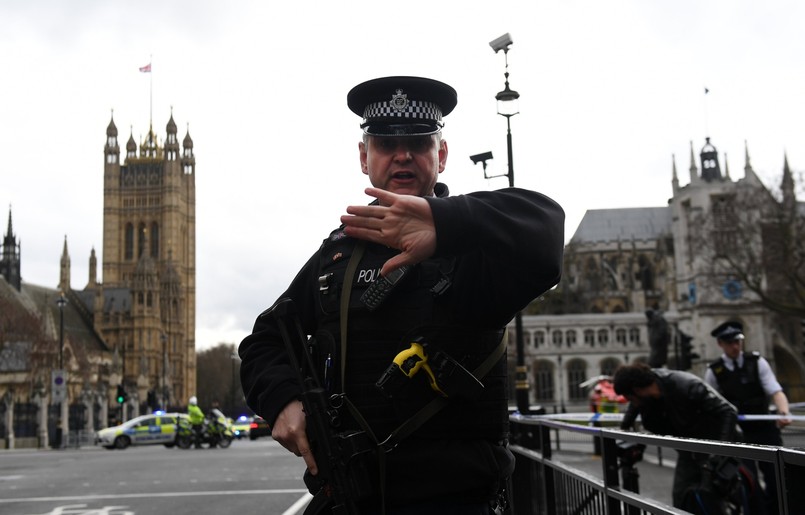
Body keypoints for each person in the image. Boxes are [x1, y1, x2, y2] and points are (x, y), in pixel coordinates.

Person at [239, 75, 565, 514]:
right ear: (364, 156)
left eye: (418, 143)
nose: (403, 155)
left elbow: (546, 229)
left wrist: (444, 223)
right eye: (386, 145)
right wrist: (282, 398)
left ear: (442, 155)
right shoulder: (338, 255)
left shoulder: (474, 249)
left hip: (456, 503)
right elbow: (264, 340)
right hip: (351, 497)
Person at [613, 362, 739, 509]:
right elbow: (635, 406)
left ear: (637, 391)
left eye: (629, 398)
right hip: (690, 447)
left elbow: (729, 411)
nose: (631, 403)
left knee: (711, 497)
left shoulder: (686, 385)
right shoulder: (646, 392)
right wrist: (625, 429)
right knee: (681, 498)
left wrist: (719, 452)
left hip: (714, 443)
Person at [704, 320, 792, 514]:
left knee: (777, 478)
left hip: (765, 430)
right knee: (748, 482)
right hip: (739, 435)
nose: (735, 346)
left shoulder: (757, 362)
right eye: (730, 343)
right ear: (720, 344)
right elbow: (710, 405)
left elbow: (776, 391)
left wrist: (783, 412)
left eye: (737, 341)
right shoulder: (714, 371)